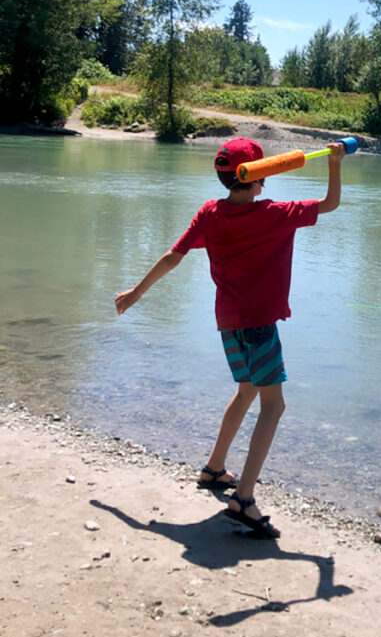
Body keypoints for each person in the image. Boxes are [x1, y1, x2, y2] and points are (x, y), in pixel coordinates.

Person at [114, 137, 346, 538]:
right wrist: (336, 163)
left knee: (246, 391)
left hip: (228, 325)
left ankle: (214, 469)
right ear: (258, 176)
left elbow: (174, 256)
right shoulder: (275, 214)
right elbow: (329, 204)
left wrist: (136, 293)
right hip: (258, 325)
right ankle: (243, 498)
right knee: (273, 407)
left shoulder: (210, 213)